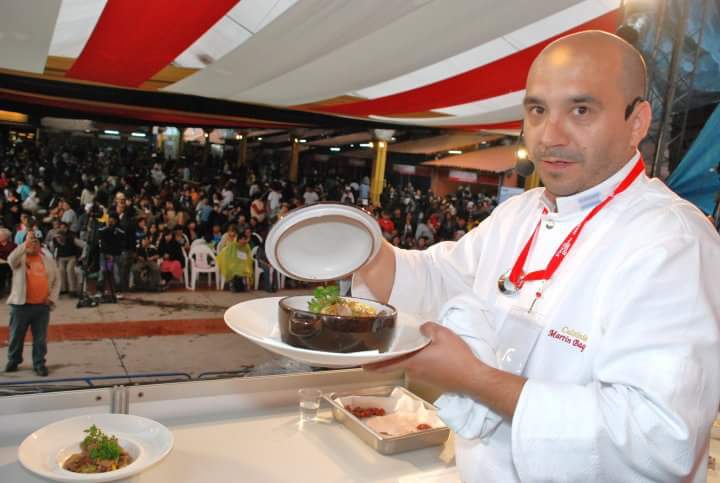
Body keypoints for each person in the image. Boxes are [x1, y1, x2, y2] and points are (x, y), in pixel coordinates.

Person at [355, 31, 720, 482]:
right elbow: (444, 278)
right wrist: (362, 249)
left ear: (637, 122)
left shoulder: (673, 241)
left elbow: (657, 438)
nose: (550, 136)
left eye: (581, 110)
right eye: (537, 110)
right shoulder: (521, 211)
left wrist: (475, 380)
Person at [5, 230, 59, 376]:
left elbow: (57, 280)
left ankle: (39, 363)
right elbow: (10, 259)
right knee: (16, 336)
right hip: (21, 306)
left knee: (40, 339)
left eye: (36, 241)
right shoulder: (19, 259)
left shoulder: (48, 260)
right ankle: (13, 360)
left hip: (41, 306)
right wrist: (25, 244)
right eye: (30, 241)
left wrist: (52, 298)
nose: (33, 244)